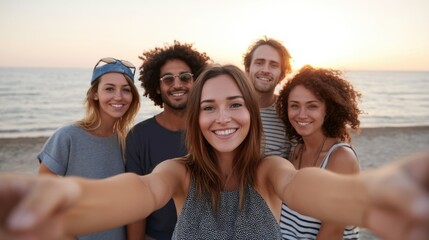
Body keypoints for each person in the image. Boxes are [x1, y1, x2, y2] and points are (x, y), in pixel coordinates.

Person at [1, 65, 429, 240]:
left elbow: (302, 186)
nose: (222, 117)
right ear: (197, 119)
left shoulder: (269, 169)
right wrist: (60, 205)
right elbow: (140, 191)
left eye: (234, 104)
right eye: (209, 107)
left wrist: (369, 195)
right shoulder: (178, 172)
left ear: (250, 111)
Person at [37, 57, 140, 240]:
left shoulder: (124, 141)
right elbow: (41, 194)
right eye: (109, 88)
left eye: (126, 90)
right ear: (95, 94)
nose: (119, 96)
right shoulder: (68, 136)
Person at [125, 41, 211, 240]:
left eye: (185, 77)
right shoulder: (138, 136)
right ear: (157, 87)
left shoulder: (212, 130)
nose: (177, 84)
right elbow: (136, 204)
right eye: (168, 79)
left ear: (196, 82)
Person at [277, 65, 362, 239]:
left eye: (312, 106)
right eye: (294, 106)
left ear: (328, 110)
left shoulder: (340, 158)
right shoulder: (296, 150)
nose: (301, 114)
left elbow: (332, 233)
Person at [243, 37, 293, 159]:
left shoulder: (290, 114)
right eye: (259, 63)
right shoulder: (228, 107)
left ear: (282, 75)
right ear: (247, 68)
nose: (265, 70)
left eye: (273, 65)